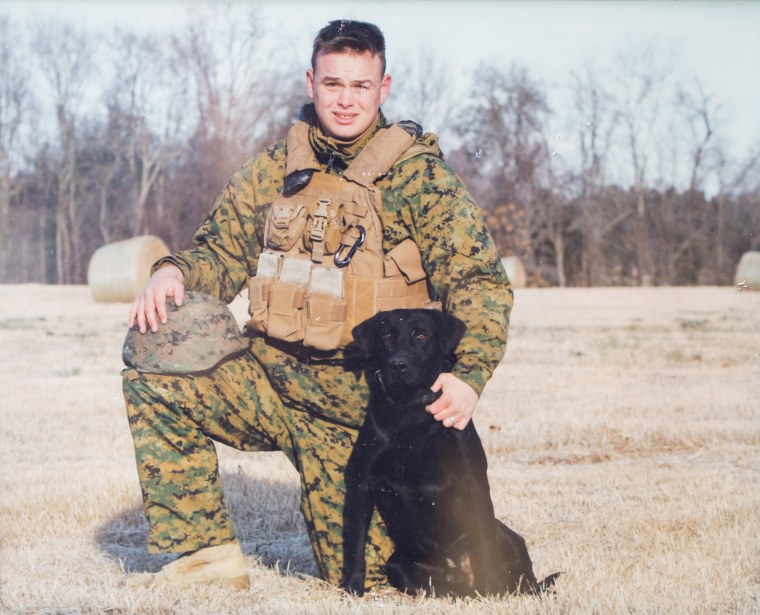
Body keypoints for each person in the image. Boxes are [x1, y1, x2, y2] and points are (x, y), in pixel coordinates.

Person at [123, 19, 513, 591]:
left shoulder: (419, 178)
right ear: (312, 81)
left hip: (360, 415)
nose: (346, 99)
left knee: (382, 579)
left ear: (383, 87)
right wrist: (172, 270)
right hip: (271, 383)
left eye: (361, 85)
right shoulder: (275, 168)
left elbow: (480, 282)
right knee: (153, 369)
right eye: (334, 84)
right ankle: (203, 559)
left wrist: (470, 374)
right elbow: (221, 249)